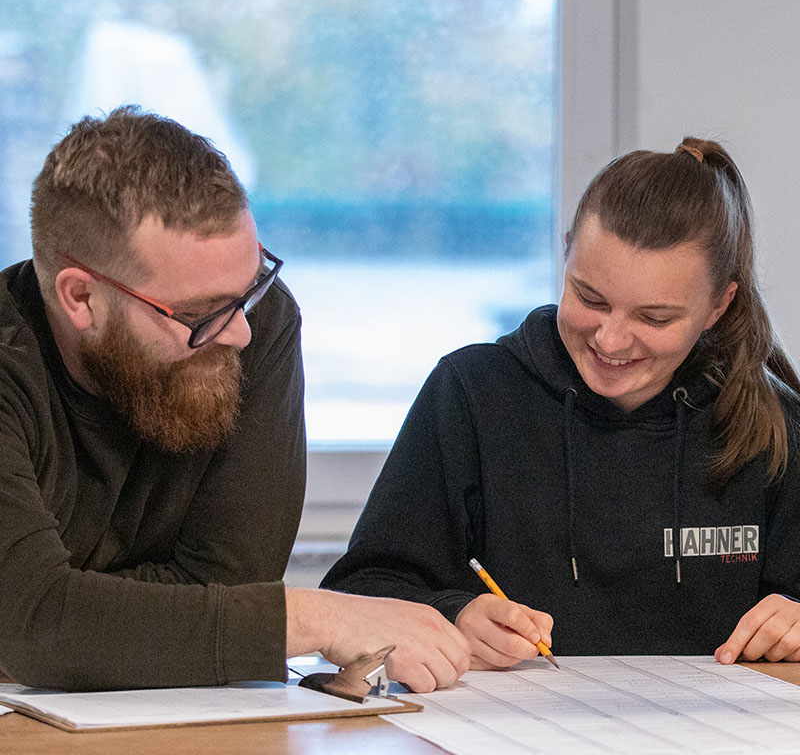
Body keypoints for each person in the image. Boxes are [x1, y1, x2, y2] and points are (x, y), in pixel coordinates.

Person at [0, 106, 469, 692]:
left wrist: (89, 616)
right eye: (199, 314)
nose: (239, 334)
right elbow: (34, 624)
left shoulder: (260, 325)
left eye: (248, 291)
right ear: (80, 298)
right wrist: (316, 616)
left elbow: (235, 575)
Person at [322, 138, 800, 670]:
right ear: (567, 249)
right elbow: (358, 594)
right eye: (589, 299)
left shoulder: (773, 426)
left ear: (718, 305)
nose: (611, 340)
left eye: (654, 318)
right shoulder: (473, 393)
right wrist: (455, 612)